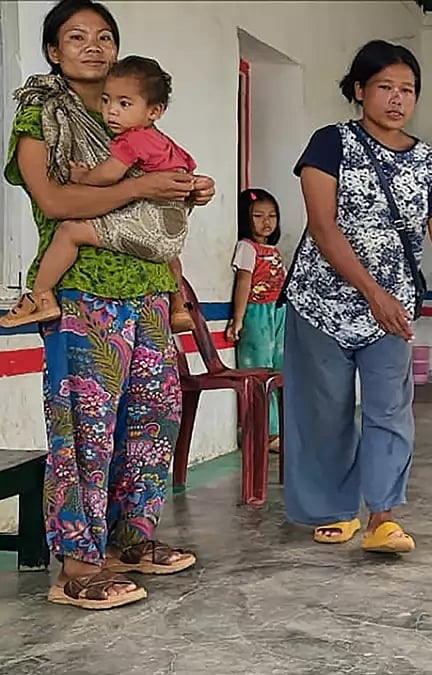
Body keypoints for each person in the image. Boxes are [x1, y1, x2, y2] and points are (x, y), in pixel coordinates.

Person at [5, 0, 215, 609]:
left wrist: (182, 189)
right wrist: (140, 186)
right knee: (84, 429)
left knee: (152, 420)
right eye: (76, 36)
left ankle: (130, 539)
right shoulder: (42, 115)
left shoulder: (132, 123)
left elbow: (150, 199)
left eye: (104, 36)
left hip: (146, 283)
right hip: (83, 289)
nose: (93, 46)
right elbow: (53, 200)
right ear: (53, 50)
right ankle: (76, 566)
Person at [283, 40, 432, 553]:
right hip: (322, 301)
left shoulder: (429, 160)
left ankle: (383, 517)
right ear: (359, 91)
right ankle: (335, 509)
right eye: (385, 87)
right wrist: (372, 293)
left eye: (407, 90)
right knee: (326, 409)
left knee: (389, 410)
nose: (397, 99)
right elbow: (323, 228)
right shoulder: (330, 143)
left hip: (392, 311)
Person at [0, 54, 196, 332]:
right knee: (170, 258)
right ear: (53, 50)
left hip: (150, 226)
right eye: (107, 101)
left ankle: (41, 294)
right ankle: (180, 306)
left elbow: (108, 174)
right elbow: (187, 173)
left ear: (154, 111)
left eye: (123, 104)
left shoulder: (132, 140)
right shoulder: (163, 142)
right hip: (172, 233)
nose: (112, 111)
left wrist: (83, 177)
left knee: (69, 232)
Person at [226, 188, 286, 451]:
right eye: (258, 215)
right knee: (259, 372)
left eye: (272, 215)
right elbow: (244, 282)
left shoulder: (272, 249)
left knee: (280, 370)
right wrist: (238, 320)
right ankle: (266, 433)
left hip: (278, 312)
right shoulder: (246, 248)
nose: (267, 222)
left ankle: (285, 427)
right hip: (256, 313)